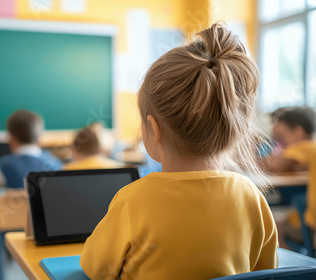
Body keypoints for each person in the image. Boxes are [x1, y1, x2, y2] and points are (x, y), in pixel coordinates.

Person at [80, 23, 278, 279]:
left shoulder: (133, 200)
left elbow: (96, 269)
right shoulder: (251, 196)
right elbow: (265, 271)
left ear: (153, 127)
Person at [0, 110, 62, 189]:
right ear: (40, 139)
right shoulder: (55, 163)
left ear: (11, 140)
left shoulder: (6, 165)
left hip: (15, 205)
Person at [263, 107, 316, 172]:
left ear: (298, 133)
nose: (280, 142)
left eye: (281, 136)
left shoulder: (302, 147)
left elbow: (275, 166)